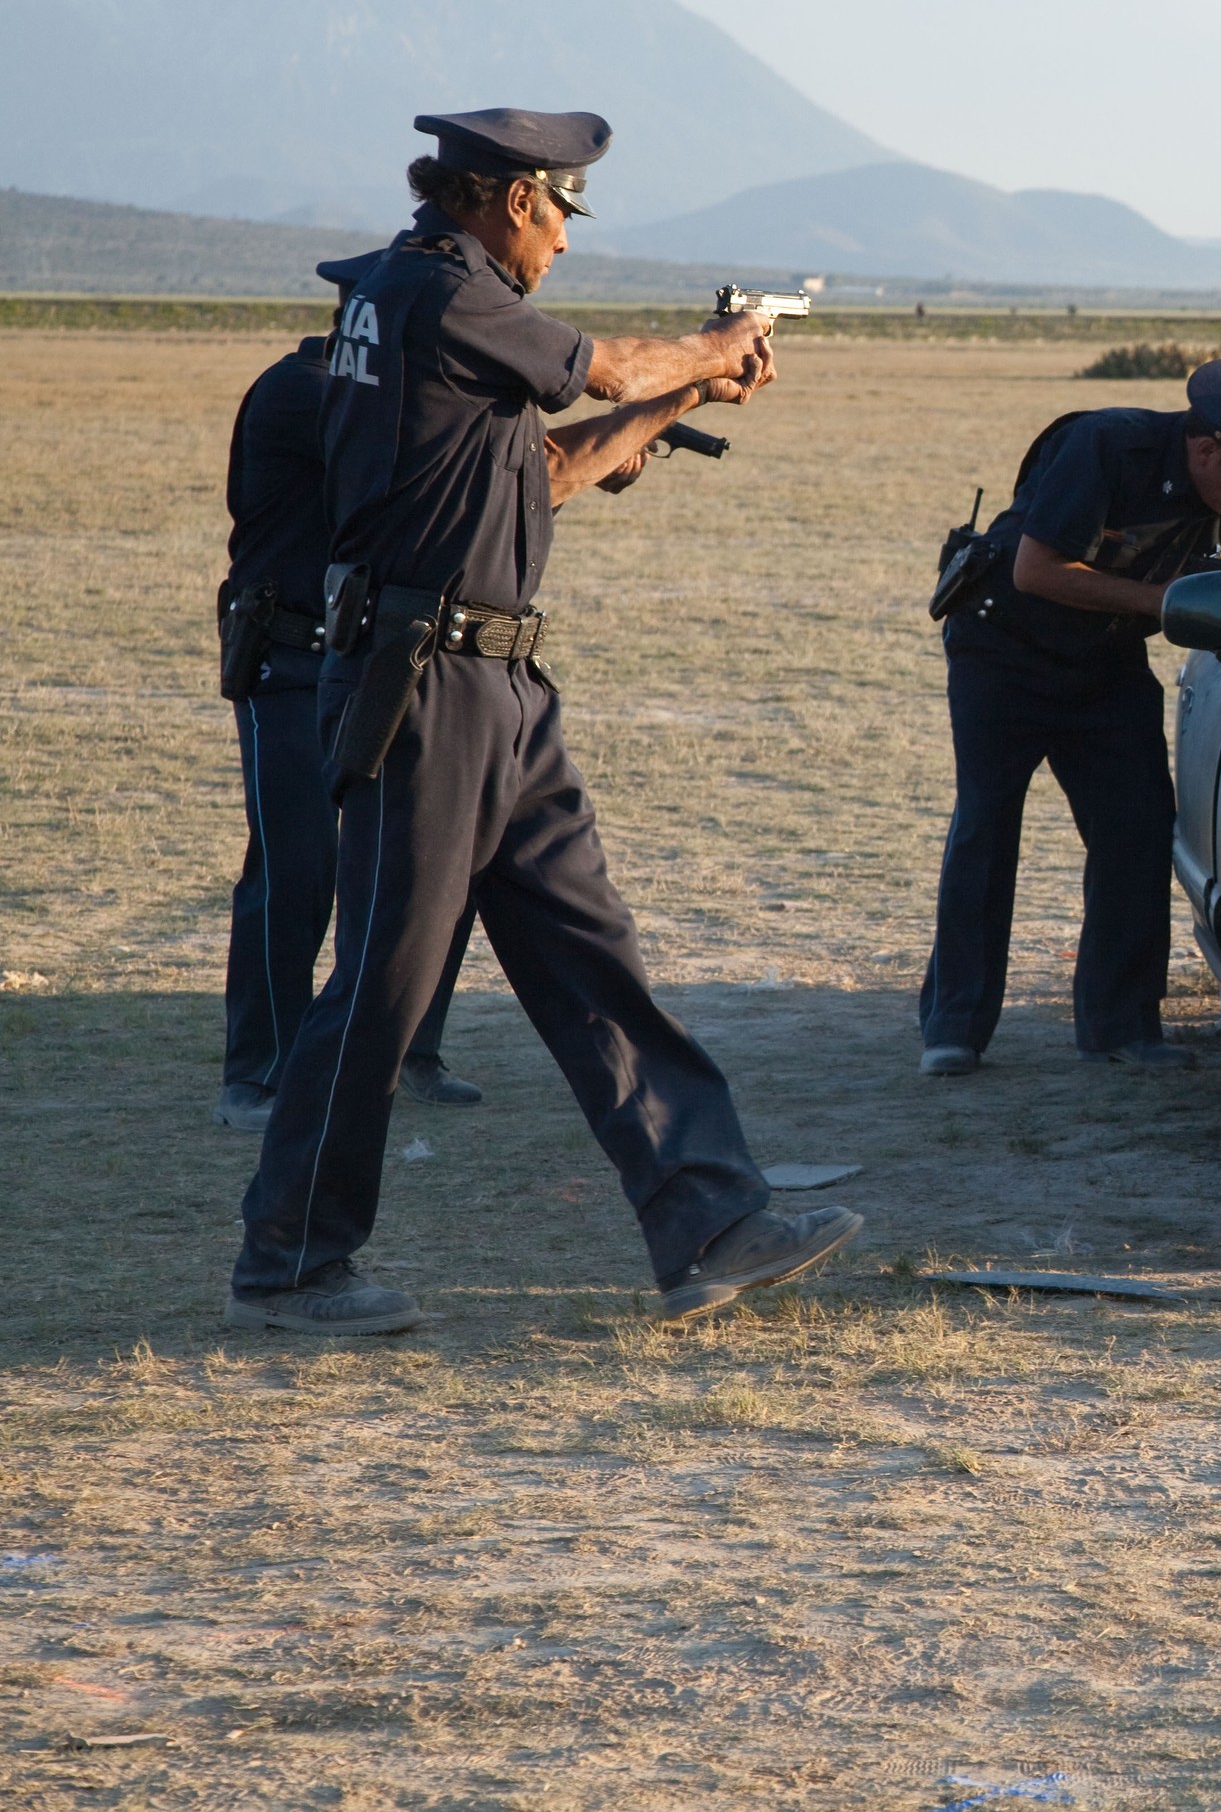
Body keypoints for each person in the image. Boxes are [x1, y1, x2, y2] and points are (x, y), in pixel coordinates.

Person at [230, 108, 861, 1335]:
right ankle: (291, 1264)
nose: (565, 242)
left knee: (590, 956)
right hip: (433, 682)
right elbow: (606, 367)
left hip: (498, 684)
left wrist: (685, 399)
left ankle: (711, 1220)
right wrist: (707, 344)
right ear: (516, 197)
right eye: (563, 213)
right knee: (382, 987)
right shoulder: (437, 292)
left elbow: (551, 471)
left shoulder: (434, 309)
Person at [919, 360, 1221, 1076]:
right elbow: (1036, 571)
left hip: (1102, 665)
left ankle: (1123, 1023)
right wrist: (1163, 600)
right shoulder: (1106, 447)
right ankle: (954, 1027)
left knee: (1137, 824)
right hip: (1001, 653)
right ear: (1205, 452)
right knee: (986, 825)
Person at [215, 292, 482, 1134]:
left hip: (361, 659)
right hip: (286, 659)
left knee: (433, 854)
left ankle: (408, 1048)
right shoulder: (305, 390)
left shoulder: (364, 396)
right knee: (298, 866)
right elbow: (425, 460)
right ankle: (258, 1073)